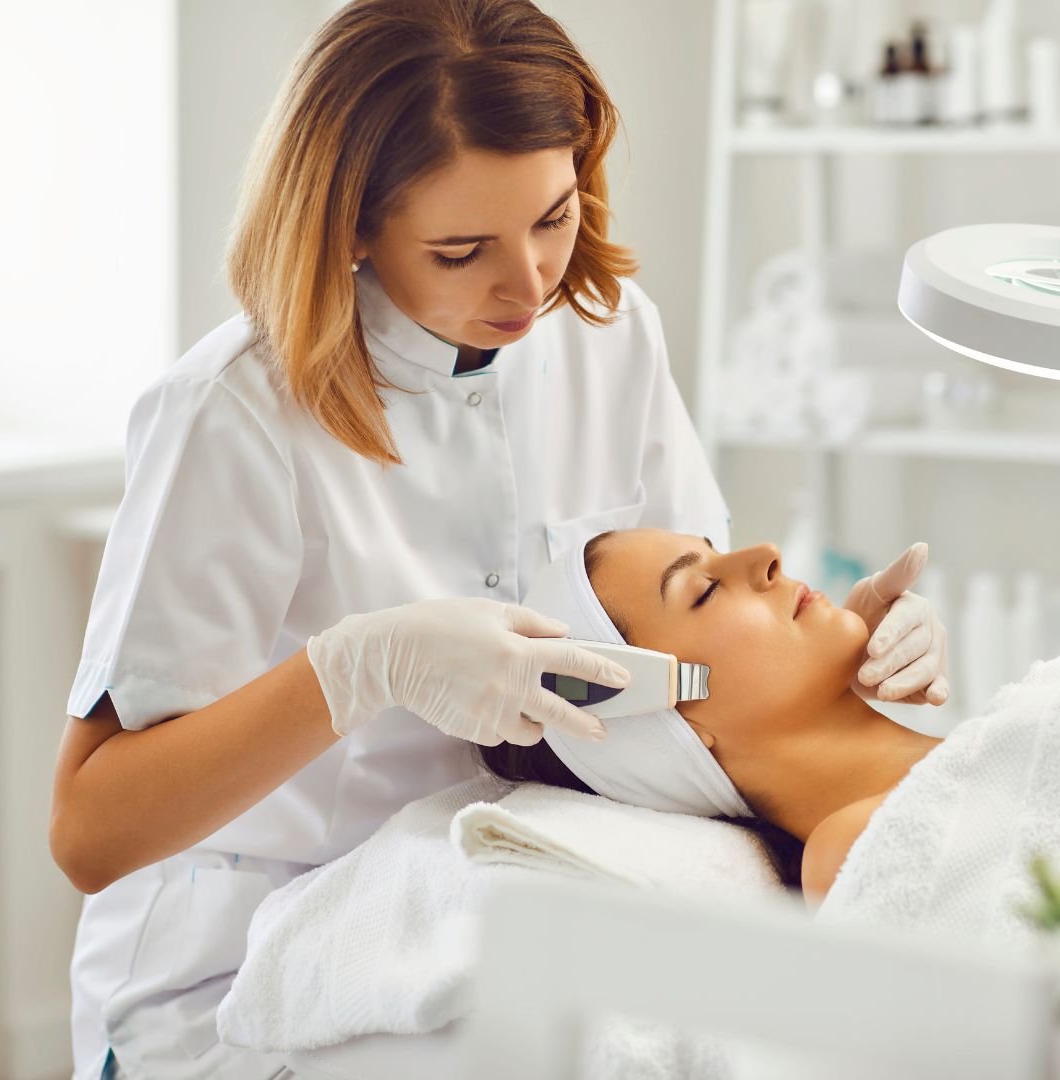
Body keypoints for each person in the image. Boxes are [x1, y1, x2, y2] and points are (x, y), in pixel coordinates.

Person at [48, 1, 948, 1076]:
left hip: (491, 903)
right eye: (462, 247)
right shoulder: (235, 415)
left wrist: (845, 660)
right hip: (240, 970)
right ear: (351, 226)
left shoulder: (609, 333)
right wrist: (350, 672)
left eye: (555, 218)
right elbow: (91, 832)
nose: (529, 286)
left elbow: (693, 670)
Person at [480, 527, 947, 904]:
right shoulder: (857, 851)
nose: (768, 554)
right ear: (676, 728)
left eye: (716, 549)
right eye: (706, 591)